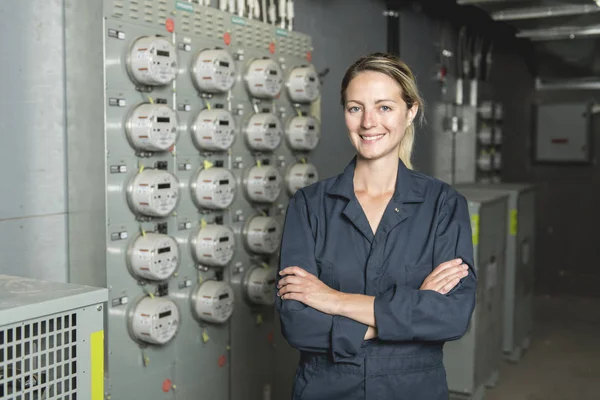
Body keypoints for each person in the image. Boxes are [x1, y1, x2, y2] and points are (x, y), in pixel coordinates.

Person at [275, 52, 477, 400]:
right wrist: (411, 309)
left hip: (414, 388)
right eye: (356, 108)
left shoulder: (443, 205)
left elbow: (452, 316)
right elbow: (297, 322)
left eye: (384, 107)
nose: (369, 122)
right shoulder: (309, 205)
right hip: (328, 388)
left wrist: (335, 300)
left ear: (410, 111)